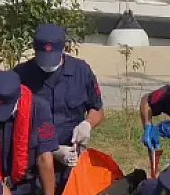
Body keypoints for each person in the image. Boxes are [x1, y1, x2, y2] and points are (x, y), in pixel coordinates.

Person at [13, 23, 104, 173]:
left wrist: (87, 124)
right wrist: (51, 150)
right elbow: (12, 122)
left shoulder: (81, 71)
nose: (47, 63)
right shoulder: (21, 75)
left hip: (72, 156)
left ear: (63, 48)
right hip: (33, 159)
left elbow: (97, 109)